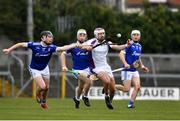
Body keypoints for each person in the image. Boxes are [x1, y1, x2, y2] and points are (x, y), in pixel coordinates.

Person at [3, 31, 79, 109]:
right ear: (42, 38)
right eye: (49, 37)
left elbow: (62, 48)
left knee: (47, 88)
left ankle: (43, 102)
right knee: (42, 87)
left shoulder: (51, 47)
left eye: (51, 37)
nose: (51, 39)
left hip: (45, 68)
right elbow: (20, 44)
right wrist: (9, 50)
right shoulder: (35, 45)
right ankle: (38, 93)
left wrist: (75, 45)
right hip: (34, 69)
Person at [81, 27, 131, 109]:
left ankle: (110, 101)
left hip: (105, 66)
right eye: (100, 34)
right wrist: (87, 47)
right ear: (96, 35)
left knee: (113, 89)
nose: (102, 35)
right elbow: (81, 46)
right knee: (106, 80)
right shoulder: (91, 41)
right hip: (95, 67)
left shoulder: (107, 43)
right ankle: (106, 96)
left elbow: (117, 47)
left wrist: (126, 45)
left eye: (103, 33)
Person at [60, 29, 94, 109]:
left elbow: (91, 50)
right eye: (80, 35)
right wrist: (63, 66)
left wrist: (88, 48)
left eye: (84, 35)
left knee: (81, 86)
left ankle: (77, 99)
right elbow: (62, 54)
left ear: (86, 37)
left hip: (86, 69)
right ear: (77, 36)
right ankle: (85, 96)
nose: (82, 37)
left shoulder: (89, 45)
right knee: (89, 81)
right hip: (76, 70)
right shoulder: (73, 46)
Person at [115, 30, 149, 108]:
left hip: (134, 70)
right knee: (126, 89)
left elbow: (138, 58)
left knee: (138, 87)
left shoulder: (140, 46)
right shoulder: (129, 44)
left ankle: (130, 104)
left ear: (140, 36)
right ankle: (111, 86)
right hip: (127, 70)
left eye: (137, 35)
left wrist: (142, 66)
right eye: (134, 35)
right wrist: (125, 64)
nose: (136, 36)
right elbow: (120, 54)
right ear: (131, 36)